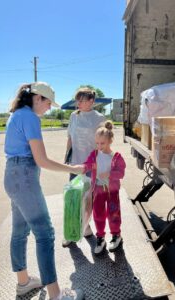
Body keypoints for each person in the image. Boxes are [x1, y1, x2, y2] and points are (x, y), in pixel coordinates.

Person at [4, 82, 84, 300]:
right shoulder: (30, 117)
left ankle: (23, 282)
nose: (49, 108)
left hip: (11, 177)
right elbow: (42, 160)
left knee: (20, 231)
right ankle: (56, 294)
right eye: (48, 103)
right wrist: (73, 168)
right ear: (37, 98)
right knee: (45, 234)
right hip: (24, 179)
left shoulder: (16, 114)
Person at [70, 121, 126, 255]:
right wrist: (82, 168)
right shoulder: (94, 155)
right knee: (98, 214)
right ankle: (100, 238)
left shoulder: (117, 157)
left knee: (113, 214)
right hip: (98, 190)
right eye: (97, 143)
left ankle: (116, 236)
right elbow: (87, 164)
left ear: (110, 141)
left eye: (103, 143)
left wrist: (110, 174)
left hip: (112, 192)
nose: (99, 146)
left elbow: (121, 173)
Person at [63, 87, 105, 247]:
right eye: (77, 100)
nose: (77, 103)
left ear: (91, 101)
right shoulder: (74, 116)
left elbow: (104, 143)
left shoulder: (99, 118)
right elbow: (70, 137)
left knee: (88, 199)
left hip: (92, 166)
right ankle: (73, 232)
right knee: (73, 198)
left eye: (81, 100)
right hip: (75, 165)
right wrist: (66, 156)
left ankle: (85, 227)